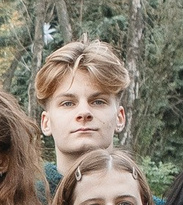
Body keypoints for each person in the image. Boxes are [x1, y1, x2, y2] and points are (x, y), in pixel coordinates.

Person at [34, 40, 132, 189]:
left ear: (120, 118)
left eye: (98, 102)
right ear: (46, 122)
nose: (84, 112)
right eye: (68, 103)